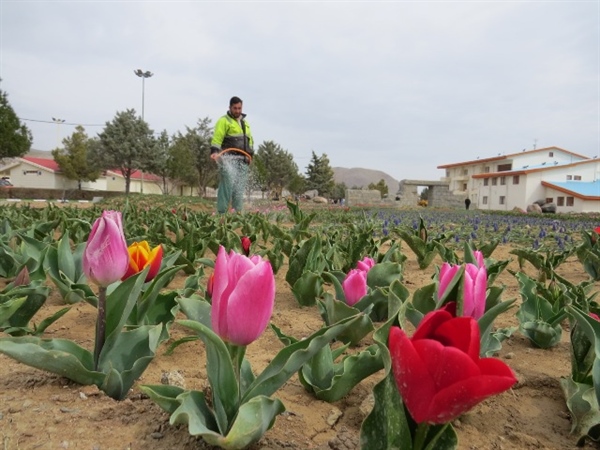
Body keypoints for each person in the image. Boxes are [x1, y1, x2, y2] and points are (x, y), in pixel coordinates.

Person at [210, 96, 254, 213]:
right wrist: (214, 152)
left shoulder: (245, 123)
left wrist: (251, 156)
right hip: (228, 159)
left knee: (239, 189)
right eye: (235, 108)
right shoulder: (223, 121)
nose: (237, 111)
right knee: (227, 185)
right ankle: (221, 214)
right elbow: (217, 138)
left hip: (243, 160)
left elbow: (250, 141)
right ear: (230, 107)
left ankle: (237, 214)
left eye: (239, 108)